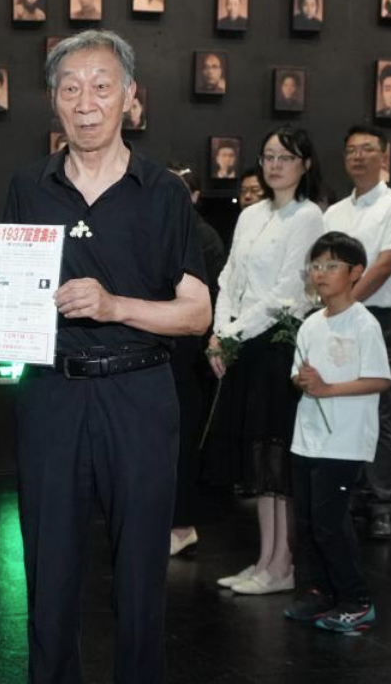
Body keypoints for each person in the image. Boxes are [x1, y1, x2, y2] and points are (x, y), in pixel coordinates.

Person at [0, 29, 210, 683]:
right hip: (51, 393)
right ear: (53, 100)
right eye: (70, 88)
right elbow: (11, 298)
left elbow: (196, 314)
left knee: (141, 572)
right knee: (48, 567)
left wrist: (115, 305)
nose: (85, 102)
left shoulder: (162, 192)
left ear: (130, 95)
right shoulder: (28, 186)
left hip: (139, 394)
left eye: (100, 86)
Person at [203, 127, 326, 596]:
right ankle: (263, 560)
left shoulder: (308, 216)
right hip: (243, 343)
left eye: (286, 157)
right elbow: (229, 277)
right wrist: (220, 331)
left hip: (277, 345)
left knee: (277, 461)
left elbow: (286, 294)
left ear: (305, 165)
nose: (275, 165)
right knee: (258, 460)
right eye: (269, 156)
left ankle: (283, 565)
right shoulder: (251, 213)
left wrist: (230, 336)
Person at [284, 231, 391, 633]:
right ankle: (320, 593)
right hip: (307, 438)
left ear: (355, 272)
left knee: (330, 524)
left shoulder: (364, 323)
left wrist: (328, 389)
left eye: (331, 265)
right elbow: (296, 376)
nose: (320, 273)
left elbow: (380, 379)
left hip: (344, 441)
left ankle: (356, 601)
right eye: (315, 266)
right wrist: (303, 381)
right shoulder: (311, 324)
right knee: (308, 523)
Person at [323, 125, 391, 540]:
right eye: (351, 150)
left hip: (375, 317)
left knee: (378, 411)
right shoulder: (334, 212)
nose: (358, 157)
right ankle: (354, 493)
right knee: (343, 408)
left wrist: (344, 303)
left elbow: (386, 264)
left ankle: (383, 502)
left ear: (385, 155)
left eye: (367, 149)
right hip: (335, 317)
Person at [167, 161, 227, 558]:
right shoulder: (166, 230)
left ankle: (183, 524)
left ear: (194, 196)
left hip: (189, 353)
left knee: (184, 440)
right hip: (166, 350)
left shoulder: (203, 237)